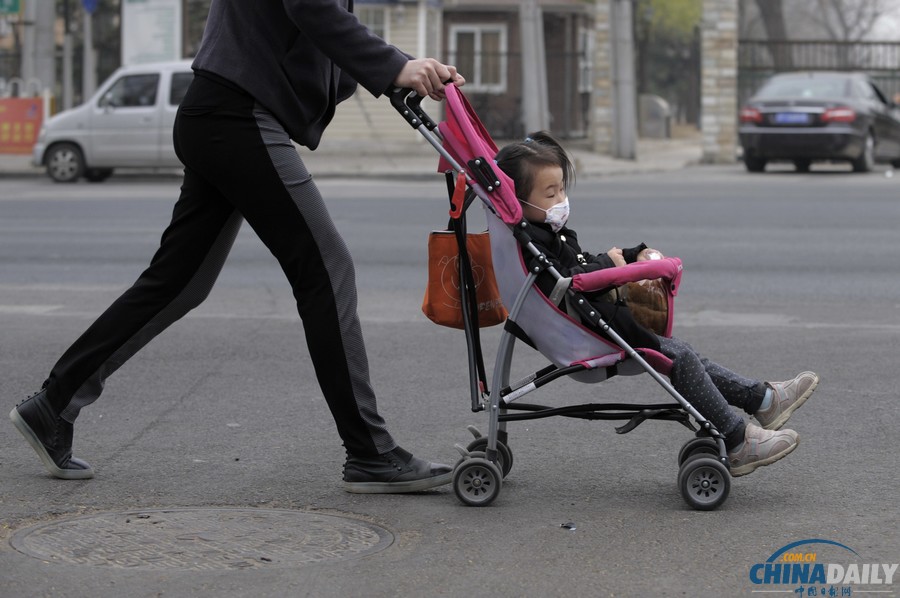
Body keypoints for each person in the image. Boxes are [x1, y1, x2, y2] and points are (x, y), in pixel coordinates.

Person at [9, 1, 465, 493]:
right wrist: (395, 65)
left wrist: (397, 66)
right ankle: (371, 453)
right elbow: (311, 8)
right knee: (326, 272)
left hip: (218, 113)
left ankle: (52, 406)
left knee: (179, 284)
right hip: (240, 117)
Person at [494, 131, 818, 476]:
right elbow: (570, 278)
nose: (561, 198)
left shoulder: (547, 233)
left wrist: (631, 255)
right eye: (551, 193)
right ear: (519, 201)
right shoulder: (535, 241)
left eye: (562, 188)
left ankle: (762, 400)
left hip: (597, 324)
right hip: (590, 335)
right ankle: (738, 440)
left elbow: (579, 264)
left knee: (682, 353)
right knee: (679, 358)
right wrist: (614, 267)